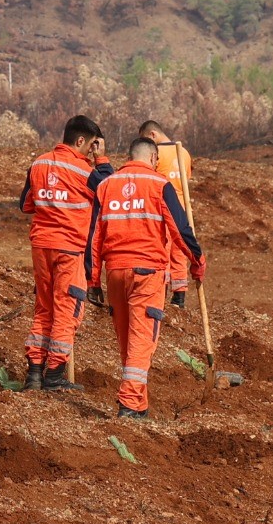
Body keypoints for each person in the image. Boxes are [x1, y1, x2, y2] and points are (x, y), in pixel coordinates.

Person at [86, 137, 205, 418]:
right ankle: (129, 403)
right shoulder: (159, 185)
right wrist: (197, 261)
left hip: (115, 272)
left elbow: (94, 237)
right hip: (147, 273)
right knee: (142, 339)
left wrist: (93, 280)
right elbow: (180, 230)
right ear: (153, 158)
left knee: (128, 339)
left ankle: (139, 406)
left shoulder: (107, 185)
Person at [17, 115, 107, 393]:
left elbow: (26, 205)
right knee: (67, 311)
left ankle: (34, 373)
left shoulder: (38, 163)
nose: (91, 152)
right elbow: (110, 192)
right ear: (80, 141)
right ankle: (55, 375)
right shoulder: (86, 171)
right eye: (91, 146)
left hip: (41, 246)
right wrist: (102, 160)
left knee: (44, 308)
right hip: (69, 249)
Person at [137, 121, 197, 305]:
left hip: (162, 209)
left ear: (152, 135)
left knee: (162, 250)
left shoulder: (155, 154)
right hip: (181, 210)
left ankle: (160, 292)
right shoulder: (184, 153)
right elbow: (185, 179)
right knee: (179, 251)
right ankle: (179, 295)